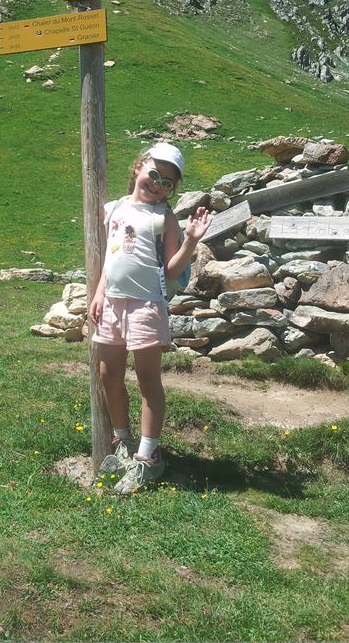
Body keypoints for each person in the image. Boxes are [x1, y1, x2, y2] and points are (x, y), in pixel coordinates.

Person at [89, 143, 212, 494]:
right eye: (154, 174)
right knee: (107, 373)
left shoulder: (164, 218)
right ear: (140, 166)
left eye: (168, 182)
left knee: (147, 377)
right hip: (112, 302)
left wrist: (190, 240)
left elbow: (172, 270)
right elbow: (108, 258)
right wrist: (98, 293)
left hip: (147, 305)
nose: (158, 184)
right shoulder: (114, 208)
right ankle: (122, 440)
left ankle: (148, 455)